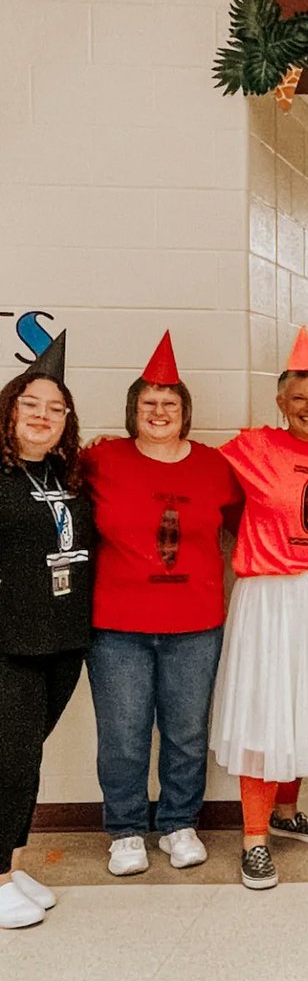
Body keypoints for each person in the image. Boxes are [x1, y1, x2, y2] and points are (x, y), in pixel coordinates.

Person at [84, 332, 241, 877]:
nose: (158, 412)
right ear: (133, 410)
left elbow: (248, 525)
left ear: (185, 412)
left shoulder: (214, 466)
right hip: (117, 625)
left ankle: (179, 823)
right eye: (148, 403)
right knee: (123, 732)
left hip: (195, 622)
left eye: (169, 404)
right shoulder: (100, 459)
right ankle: (125, 830)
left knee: (187, 730)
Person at [209, 327, 308, 890]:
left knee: (307, 704)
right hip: (269, 595)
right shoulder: (254, 447)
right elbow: (206, 487)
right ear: (280, 403)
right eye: (299, 398)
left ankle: (286, 812)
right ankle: (254, 839)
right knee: (265, 708)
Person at [0, 333, 94, 929]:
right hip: (8, 644)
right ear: (10, 410)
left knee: (24, 758)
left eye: (55, 409)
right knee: (6, 760)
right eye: (31, 405)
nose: (43, 417)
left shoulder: (62, 475)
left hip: (61, 641)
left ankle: (9, 861)